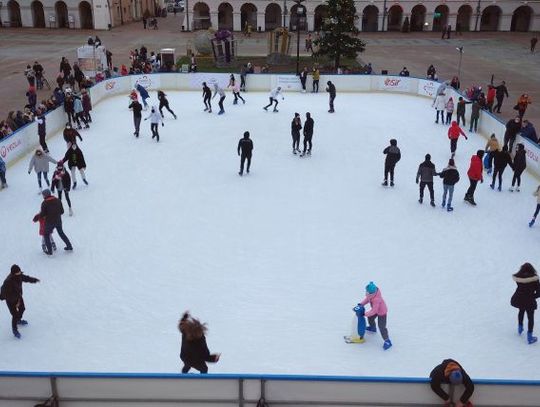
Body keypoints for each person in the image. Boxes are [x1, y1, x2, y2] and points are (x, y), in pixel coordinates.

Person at [0, 265, 40, 339]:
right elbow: (2, 292)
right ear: (14, 273)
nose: (20, 272)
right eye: (18, 271)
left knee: (22, 309)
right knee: (15, 315)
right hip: (11, 301)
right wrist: (12, 302)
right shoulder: (8, 282)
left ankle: (18, 320)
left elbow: (26, 278)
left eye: (19, 271)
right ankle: (15, 330)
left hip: (18, 297)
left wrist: (34, 280)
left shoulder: (19, 276)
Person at [511, 263, 540, 344]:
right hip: (530, 301)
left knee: (521, 311)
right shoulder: (534, 279)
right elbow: (539, 292)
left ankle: (520, 328)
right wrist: (532, 296)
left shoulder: (519, 278)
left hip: (520, 299)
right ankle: (530, 337)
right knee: (530, 317)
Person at [39, 188, 73, 255]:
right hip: (58, 220)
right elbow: (62, 211)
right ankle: (69, 246)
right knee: (61, 233)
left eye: (43, 195)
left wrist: (40, 215)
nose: (42, 196)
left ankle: (50, 251)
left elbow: (43, 214)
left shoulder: (44, 203)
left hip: (49, 222)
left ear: (45, 195)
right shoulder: (58, 200)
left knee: (46, 235)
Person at [359, 282, 391, 350]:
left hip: (382, 313)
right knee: (370, 317)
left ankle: (387, 341)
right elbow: (367, 299)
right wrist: (361, 304)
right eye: (366, 291)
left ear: (372, 292)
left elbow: (374, 311)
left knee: (382, 327)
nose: (366, 292)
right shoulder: (371, 295)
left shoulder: (376, 299)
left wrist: (364, 314)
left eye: (368, 291)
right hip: (376, 310)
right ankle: (372, 328)